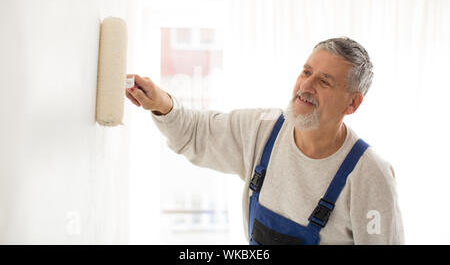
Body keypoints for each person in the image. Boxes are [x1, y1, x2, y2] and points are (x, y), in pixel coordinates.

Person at [125, 37, 404, 245]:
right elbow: (197, 134)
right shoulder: (263, 130)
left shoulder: (370, 175)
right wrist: (160, 103)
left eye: (324, 81)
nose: (305, 86)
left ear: (352, 103)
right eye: (306, 72)